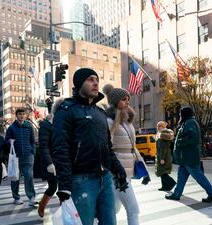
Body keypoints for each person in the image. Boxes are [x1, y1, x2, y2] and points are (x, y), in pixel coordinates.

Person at [53, 68, 128, 225]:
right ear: (79, 83)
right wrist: (64, 185)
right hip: (81, 180)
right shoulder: (66, 110)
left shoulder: (99, 112)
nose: (95, 83)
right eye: (90, 79)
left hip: (105, 179)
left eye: (97, 80)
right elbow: (61, 149)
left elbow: (107, 146)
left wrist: (119, 171)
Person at [103, 84, 148, 225]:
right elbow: (106, 147)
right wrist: (115, 170)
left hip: (127, 170)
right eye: (124, 99)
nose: (127, 101)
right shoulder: (109, 121)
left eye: (128, 98)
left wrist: (144, 169)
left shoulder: (127, 122)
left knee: (114, 208)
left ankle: (98, 220)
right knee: (133, 209)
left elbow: (132, 148)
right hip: (117, 172)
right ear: (115, 102)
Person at [165, 106, 212, 202]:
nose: (179, 115)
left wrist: (178, 142)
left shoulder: (190, 123)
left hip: (188, 156)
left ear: (184, 114)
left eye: (180, 114)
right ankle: (177, 194)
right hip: (186, 157)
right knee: (181, 176)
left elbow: (192, 138)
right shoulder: (188, 122)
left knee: (198, 176)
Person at [37, 99, 64, 217]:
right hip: (52, 161)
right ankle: (42, 205)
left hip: (64, 160)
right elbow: (43, 145)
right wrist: (49, 163)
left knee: (64, 188)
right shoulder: (45, 125)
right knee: (53, 187)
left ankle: (64, 211)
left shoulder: (64, 123)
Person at [5, 109, 37, 206]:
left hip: (28, 155)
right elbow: (6, 141)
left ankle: (31, 197)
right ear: (16, 115)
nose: (22, 116)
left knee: (29, 176)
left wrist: (32, 151)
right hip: (16, 156)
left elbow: (33, 141)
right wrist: (9, 141)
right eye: (20, 114)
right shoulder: (11, 128)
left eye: (23, 114)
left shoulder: (29, 126)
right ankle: (16, 197)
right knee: (16, 177)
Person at [155, 121, 176, 191]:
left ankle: (171, 182)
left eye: (159, 126)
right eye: (157, 126)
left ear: (163, 127)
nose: (158, 127)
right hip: (165, 156)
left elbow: (163, 148)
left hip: (164, 156)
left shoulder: (163, 135)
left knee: (163, 172)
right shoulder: (162, 135)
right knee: (162, 172)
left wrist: (162, 158)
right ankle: (164, 186)